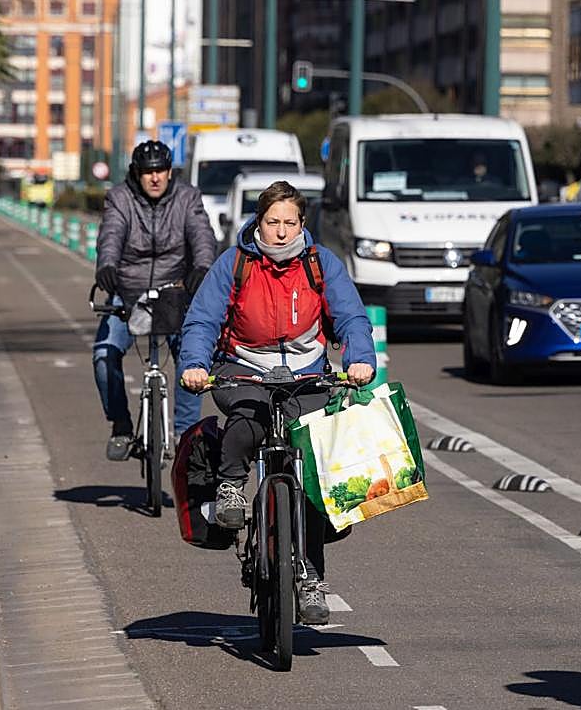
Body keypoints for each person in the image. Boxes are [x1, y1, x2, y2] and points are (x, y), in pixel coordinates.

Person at [179, 180, 376, 625]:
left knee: (314, 470)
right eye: (273, 223)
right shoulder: (236, 264)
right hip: (243, 367)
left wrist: (360, 359)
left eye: (290, 223)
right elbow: (203, 320)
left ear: (302, 224)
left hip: (307, 373)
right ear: (259, 223)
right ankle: (231, 487)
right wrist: (194, 363)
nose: (282, 232)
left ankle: (311, 579)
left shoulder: (321, 265)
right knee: (248, 418)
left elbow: (350, 316)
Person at [94, 140, 216, 461]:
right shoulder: (120, 198)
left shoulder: (188, 197)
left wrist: (202, 267)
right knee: (103, 354)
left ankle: (184, 433)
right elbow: (111, 235)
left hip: (175, 291)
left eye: (160, 170)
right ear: (136, 173)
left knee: (191, 358)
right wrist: (106, 266)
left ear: (170, 171)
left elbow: (202, 236)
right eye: (148, 172)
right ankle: (121, 424)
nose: (155, 178)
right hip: (128, 292)